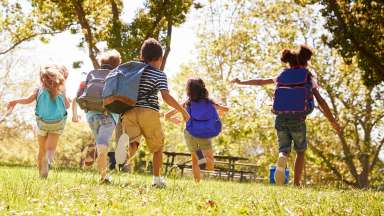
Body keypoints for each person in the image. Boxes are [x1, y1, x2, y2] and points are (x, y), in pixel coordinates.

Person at [231, 45, 341, 186]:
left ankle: (282, 158)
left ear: (289, 61)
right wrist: (332, 121)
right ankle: (296, 183)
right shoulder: (307, 77)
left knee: (284, 149)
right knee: (300, 151)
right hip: (298, 119)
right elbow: (321, 101)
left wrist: (241, 82)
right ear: (305, 61)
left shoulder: (282, 75)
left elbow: (260, 81)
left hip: (280, 118)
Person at [121, 38, 190, 187]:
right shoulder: (159, 75)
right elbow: (166, 97)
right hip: (148, 112)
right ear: (160, 58)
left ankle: (120, 157)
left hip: (129, 111)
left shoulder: (133, 72)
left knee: (133, 143)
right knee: (157, 147)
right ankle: (157, 180)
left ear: (142, 56)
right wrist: (182, 110)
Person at [7, 64, 70, 178]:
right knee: (50, 148)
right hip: (57, 122)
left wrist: (15, 101)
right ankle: (48, 162)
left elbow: (27, 100)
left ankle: (41, 174)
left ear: (42, 78)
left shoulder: (38, 89)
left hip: (42, 123)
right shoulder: (62, 89)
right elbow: (67, 105)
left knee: (42, 148)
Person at [165, 78, 229, 182]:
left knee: (195, 161)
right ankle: (202, 157)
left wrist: (173, 119)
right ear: (203, 89)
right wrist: (219, 110)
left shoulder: (186, 103)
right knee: (210, 164)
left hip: (189, 134)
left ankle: (197, 183)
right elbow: (226, 109)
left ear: (189, 91)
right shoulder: (209, 103)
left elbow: (166, 115)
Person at [72, 49, 121, 183]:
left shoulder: (92, 74)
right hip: (108, 114)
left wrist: (76, 113)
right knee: (103, 143)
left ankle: (93, 151)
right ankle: (103, 177)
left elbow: (79, 93)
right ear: (118, 64)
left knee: (100, 140)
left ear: (101, 63)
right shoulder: (117, 75)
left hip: (91, 114)